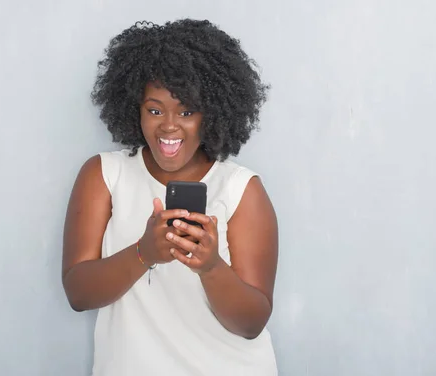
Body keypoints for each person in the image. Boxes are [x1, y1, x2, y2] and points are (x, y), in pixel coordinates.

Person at [62, 19, 278, 375]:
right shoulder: (104, 174)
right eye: (155, 110)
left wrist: (210, 266)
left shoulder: (241, 188)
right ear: (136, 109)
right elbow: (78, 294)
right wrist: (143, 253)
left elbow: (251, 323)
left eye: (187, 111)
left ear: (212, 113)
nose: (169, 126)